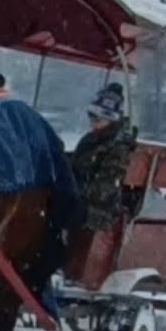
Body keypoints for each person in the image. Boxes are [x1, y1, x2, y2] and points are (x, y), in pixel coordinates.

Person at [68, 82, 136, 231]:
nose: (92, 124)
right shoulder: (92, 138)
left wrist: (74, 189)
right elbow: (77, 162)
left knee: (59, 211)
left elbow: (107, 188)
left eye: (98, 120)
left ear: (111, 120)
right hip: (81, 199)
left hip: (100, 211)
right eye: (91, 118)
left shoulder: (119, 148)